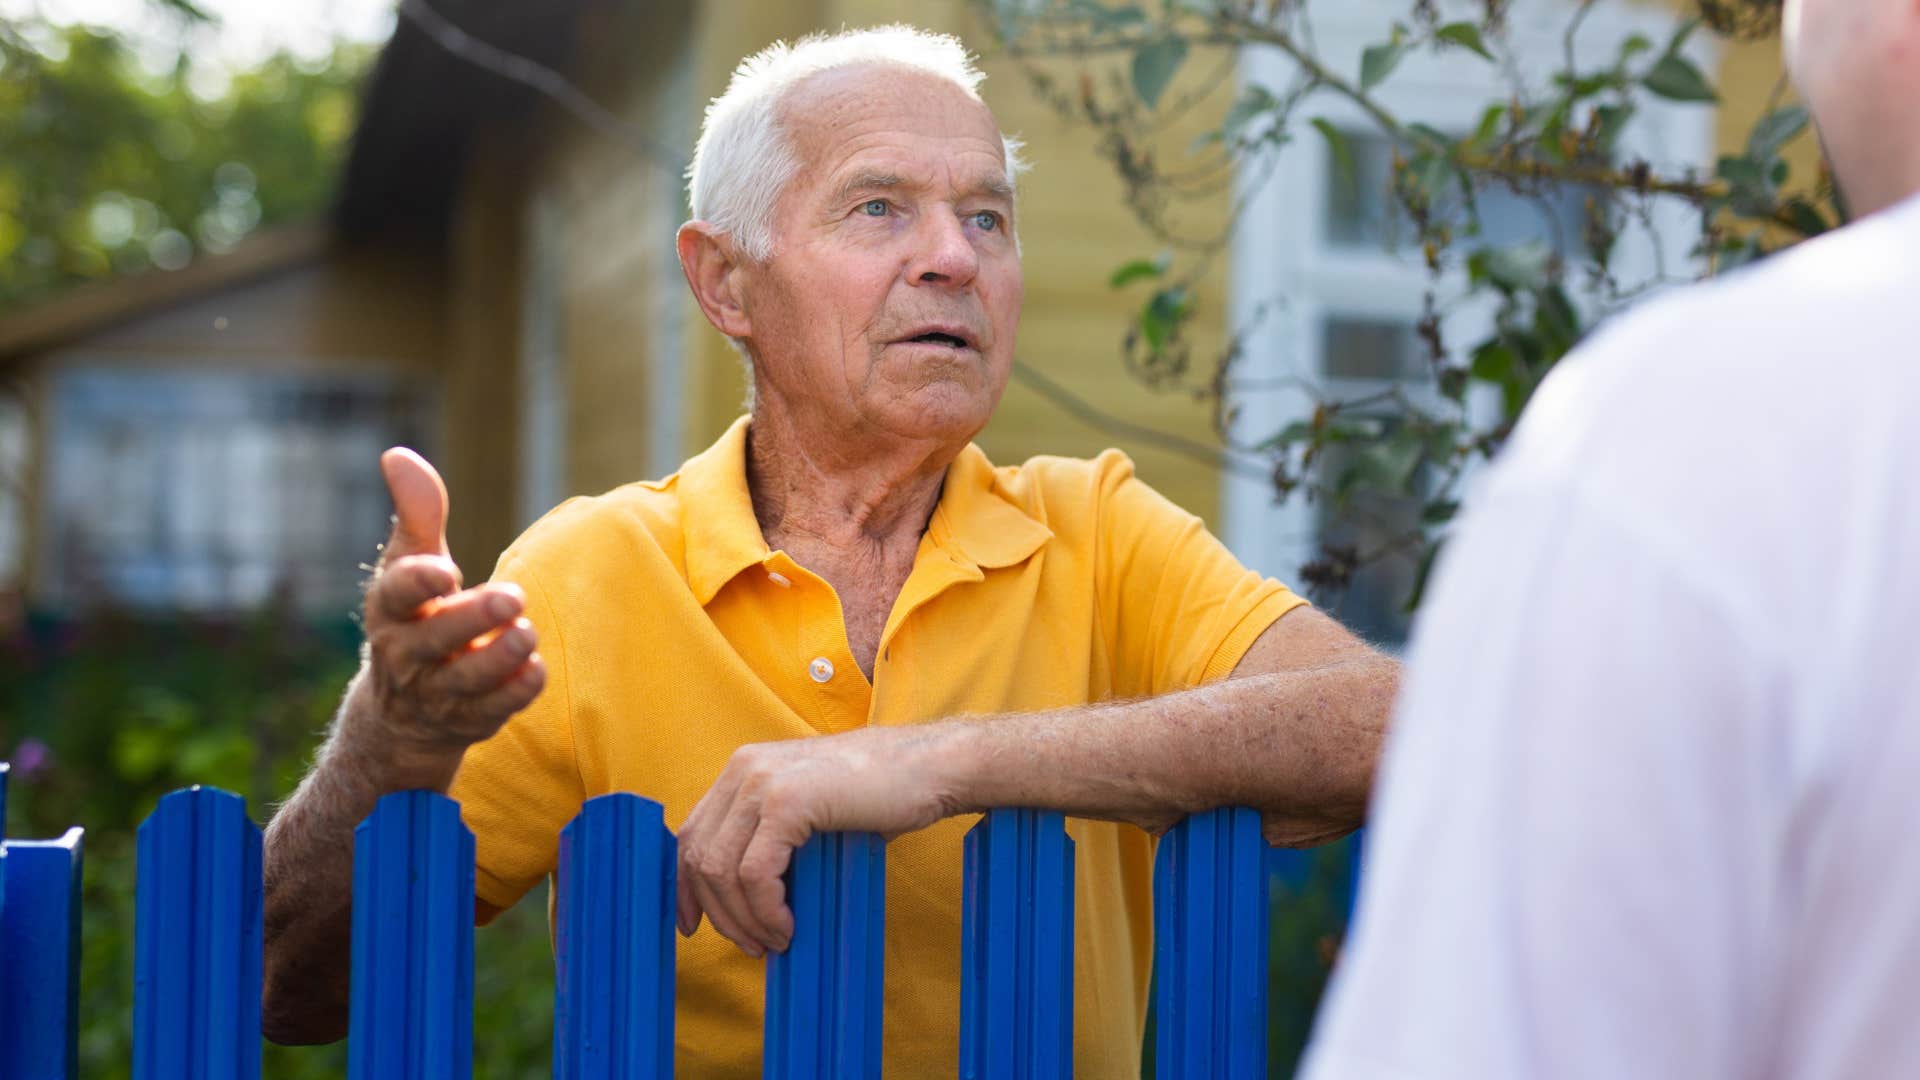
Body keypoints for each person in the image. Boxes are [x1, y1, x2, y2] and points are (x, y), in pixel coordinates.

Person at [260, 25, 1398, 1076]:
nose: (954, 256)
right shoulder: (590, 575)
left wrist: (929, 762)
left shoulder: (1096, 530)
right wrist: (390, 742)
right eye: (879, 209)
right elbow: (293, 990)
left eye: (987, 217)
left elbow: (1387, 727)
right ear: (725, 282)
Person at [1298, 1, 1920, 1077]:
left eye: (989, 216)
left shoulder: (1704, 438)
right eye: (889, 206)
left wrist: (958, 758)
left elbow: (1363, 714)